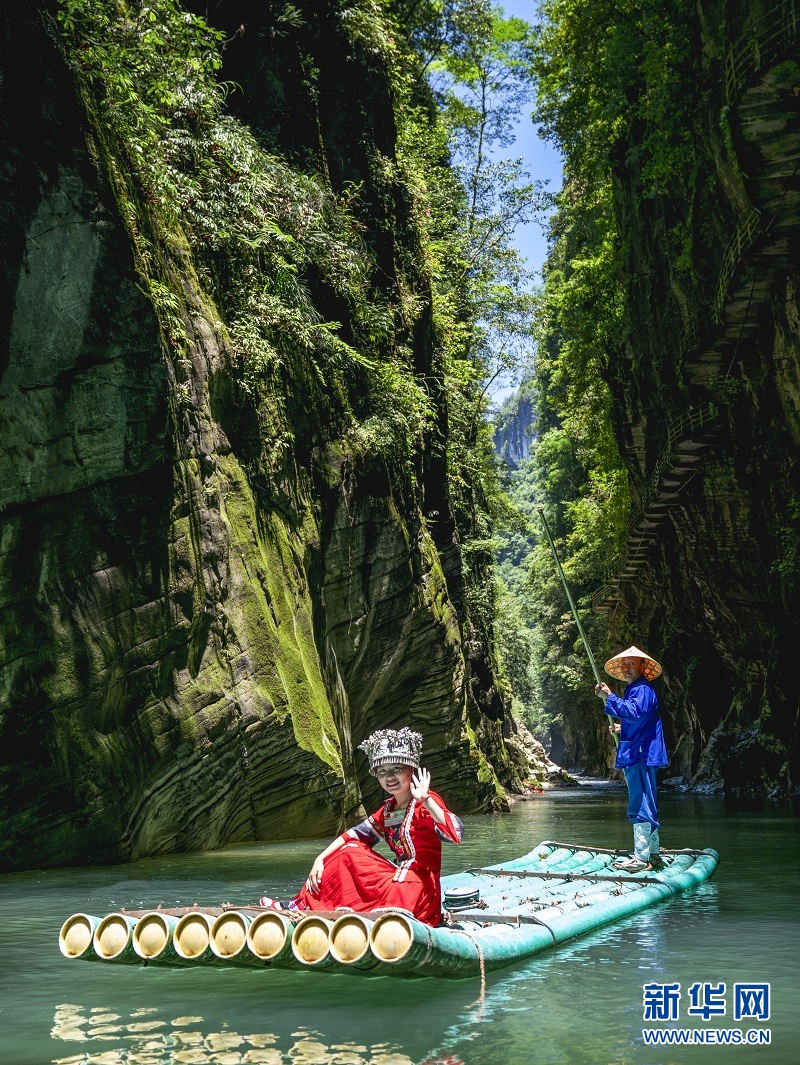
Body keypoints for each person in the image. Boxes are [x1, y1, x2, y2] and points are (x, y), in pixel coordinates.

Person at [259, 727, 463, 926]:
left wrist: (426, 800)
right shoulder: (387, 810)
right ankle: (300, 905)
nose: (389, 777)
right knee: (348, 852)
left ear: (411, 769)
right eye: (382, 772)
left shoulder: (426, 802)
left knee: (358, 861)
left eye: (396, 770)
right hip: (396, 877)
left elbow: (455, 833)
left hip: (419, 887)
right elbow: (354, 835)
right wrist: (319, 858)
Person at [594, 646, 668, 871]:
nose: (626, 668)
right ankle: (652, 853)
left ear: (642, 667)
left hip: (640, 752)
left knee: (640, 799)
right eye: (624, 665)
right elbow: (640, 720)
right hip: (642, 749)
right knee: (648, 798)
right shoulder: (638, 688)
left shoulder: (642, 689)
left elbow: (634, 712)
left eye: (631, 664)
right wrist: (621, 727)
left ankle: (641, 858)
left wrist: (609, 696)